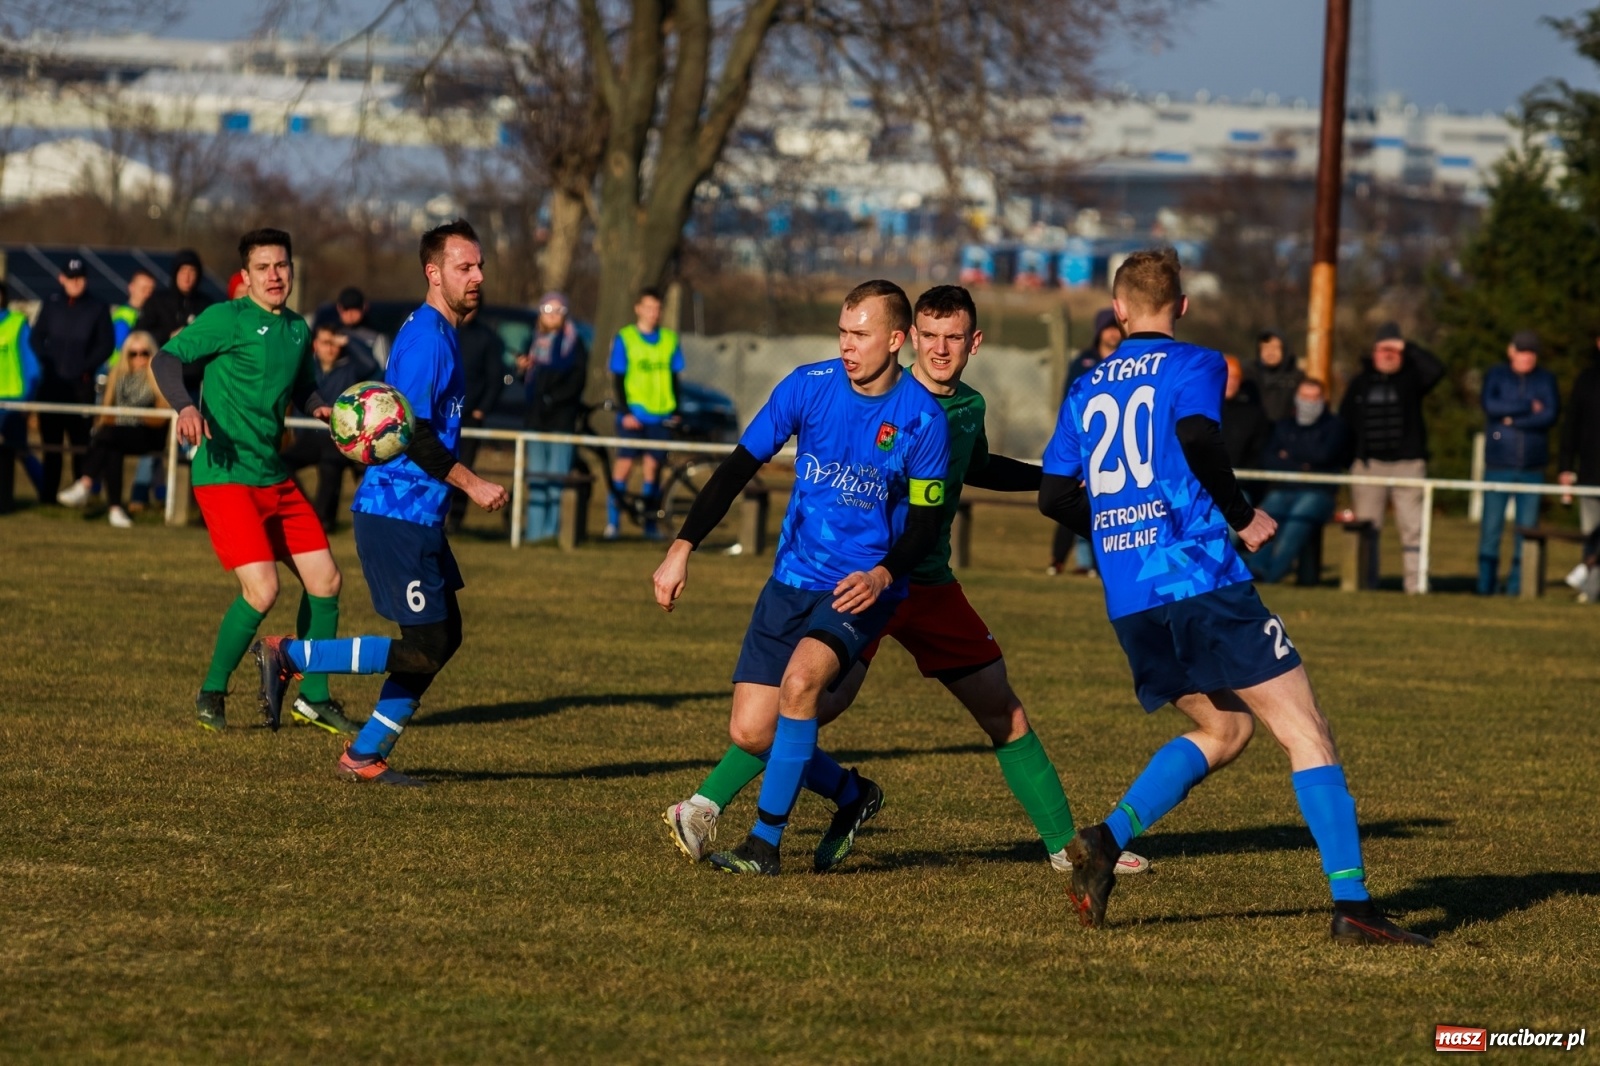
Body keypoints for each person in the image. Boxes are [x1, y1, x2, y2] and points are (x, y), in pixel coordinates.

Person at [663, 285, 1147, 876]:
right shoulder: (873, 393)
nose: (941, 350)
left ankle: (1069, 850)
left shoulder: (964, 409)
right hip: (858, 583)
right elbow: (752, 463)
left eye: (954, 338)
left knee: (1003, 712)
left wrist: (1054, 479)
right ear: (910, 339)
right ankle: (740, 806)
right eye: (931, 336)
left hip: (925, 584)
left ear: (975, 343)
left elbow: (978, 467)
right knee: (785, 709)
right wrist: (684, 545)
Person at [1038, 247, 1430, 947]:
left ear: (1119, 309)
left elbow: (1053, 495)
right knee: (1306, 731)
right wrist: (1242, 515)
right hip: (1199, 580)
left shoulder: (1085, 386)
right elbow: (1194, 433)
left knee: (1227, 730)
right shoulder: (1197, 363)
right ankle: (1355, 907)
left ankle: (1104, 839)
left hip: (1131, 597)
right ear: (1182, 307)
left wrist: (1116, 530)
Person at [651, 279, 950, 875]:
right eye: (842, 332)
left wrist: (885, 574)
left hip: (858, 590)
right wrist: (681, 547)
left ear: (895, 340)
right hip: (790, 579)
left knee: (800, 687)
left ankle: (763, 845)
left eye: (860, 335)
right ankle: (850, 794)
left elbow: (926, 521)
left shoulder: (923, 418)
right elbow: (737, 467)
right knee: (753, 731)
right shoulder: (807, 387)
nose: (847, 345)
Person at [253, 220, 510, 787]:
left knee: (441, 639)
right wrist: (473, 484)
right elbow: (412, 432)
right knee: (424, 645)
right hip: (398, 513)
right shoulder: (425, 340)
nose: (478, 277)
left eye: (480, 265)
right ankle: (293, 657)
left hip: (416, 514)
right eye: (465, 267)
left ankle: (365, 753)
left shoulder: (438, 333)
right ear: (433, 272)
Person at [150, 229, 356, 737]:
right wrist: (185, 407)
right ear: (245, 276)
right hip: (224, 474)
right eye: (263, 267)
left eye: (282, 265)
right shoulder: (228, 317)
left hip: (272, 476)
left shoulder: (297, 329)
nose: (275, 276)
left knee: (327, 580)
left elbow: (304, 386)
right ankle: (212, 690)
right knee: (263, 590)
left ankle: (314, 696)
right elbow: (165, 360)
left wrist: (319, 407)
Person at [1339, 322, 1444, 594]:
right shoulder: (1360, 383)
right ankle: (1365, 582)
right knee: (1367, 531)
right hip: (1369, 466)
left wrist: (1407, 347)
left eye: (1393, 350)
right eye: (1382, 349)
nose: (1388, 355)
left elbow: (1437, 369)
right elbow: (1344, 423)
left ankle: (1416, 584)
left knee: (1414, 528)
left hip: (1408, 465)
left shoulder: (1412, 378)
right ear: (1373, 352)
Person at [55, 331, 170, 526]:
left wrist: (128, 416)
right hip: (119, 434)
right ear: (126, 356)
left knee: (109, 435)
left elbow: (159, 418)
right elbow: (106, 413)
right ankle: (115, 509)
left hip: (149, 435)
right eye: (133, 354)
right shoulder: (118, 376)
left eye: (145, 353)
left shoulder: (160, 377)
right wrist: (124, 417)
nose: (140, 359)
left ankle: (85, 484)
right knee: (110, 446)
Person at [1477, 330, 1559, 596]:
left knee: (1525, 532)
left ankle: (1517, 588)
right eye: (1522, 351)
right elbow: (1491, 406)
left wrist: (1514, 420)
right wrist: (1526, 406)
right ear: (1511, 351)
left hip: (1532, 466)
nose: (1527, 357)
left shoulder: (1546, 380)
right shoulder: (1497, 375)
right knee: (1491, 529)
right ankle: (1485, 587)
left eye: (1531, 352)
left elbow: (1549, 414)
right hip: (1499, 460)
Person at [1246, 379, 1350, 585]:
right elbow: (1269, 459)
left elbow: (1324, 455)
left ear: (1323, 400)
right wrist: (1304, 463)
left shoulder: (1336, 426)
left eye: (1314, 398)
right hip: (1283, 489)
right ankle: (1255, 570)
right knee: (1263, 520)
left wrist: (1289, 454)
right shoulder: (1283, 425)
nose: (1309, 403)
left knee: (1296, 523)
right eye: (1305, 397)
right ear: (1296, 398)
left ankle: (1272, 575)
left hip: (1318, 493)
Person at [32, 256, 115, 502]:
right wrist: (49, 362)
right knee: (51, 446)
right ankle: (47, 497)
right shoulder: (51, 303)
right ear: (61, 279)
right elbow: (36, 338)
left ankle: (80, 494)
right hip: (53, 385)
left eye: (79, 278)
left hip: (81, 387)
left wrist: (85, 367)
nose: (75, 283)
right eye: (70, 278)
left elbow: (106, 345)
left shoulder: (98, 307)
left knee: (80, 445)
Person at [280, 324, 378, 532]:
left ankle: (323, 521)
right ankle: (308, 512)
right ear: (315, 344)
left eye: (335, 344)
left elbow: (371, 365)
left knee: (330, 464)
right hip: (309, 436)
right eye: (326, 343)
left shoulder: (351, 369)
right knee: (282, 463)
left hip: (339, 438)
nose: (331, 348)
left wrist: (349, 340)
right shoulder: (306, 369)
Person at [1049, 308, 1120, 575]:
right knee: (1069, 498)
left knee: (1107, 503)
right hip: (1083, 443)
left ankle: (1099, 565)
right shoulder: (1083, 362)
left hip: (1115, 446)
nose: (1113, 333)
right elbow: (1069, 402)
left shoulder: (1129, 362)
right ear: (1099, 331)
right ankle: (1060, 560)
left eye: (1117, 327)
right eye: (1108, 327)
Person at [607, 287, 682, 539]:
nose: (653, 313)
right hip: (634, 415)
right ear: (638, 309)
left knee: (653, 469)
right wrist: (625, 411)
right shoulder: (626, 337)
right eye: (648, 307)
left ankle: (649, 525)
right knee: (623, 468)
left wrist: (677, 410)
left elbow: (674, 378)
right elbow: (617, 378)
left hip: (661, 414)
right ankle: (613, 524)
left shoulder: (670, 339)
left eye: (657, 308)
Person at [516, 291, 589, 542]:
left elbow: (577, 381)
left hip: (561, 420)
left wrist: (553, 398)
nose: (553, 315)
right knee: (536, 477)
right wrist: (521, 370)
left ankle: (552, 532)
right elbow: (526, 380)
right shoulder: (532, 340)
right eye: (548, 309)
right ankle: (534, 534)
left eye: (559, 310)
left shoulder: (574, 344)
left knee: (557, 477)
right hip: (535, 419)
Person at [444, 311, 505, 533]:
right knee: (438, 463)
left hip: (470, 416)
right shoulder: (443, 331)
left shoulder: (486, 337)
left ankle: (456, 520)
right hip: (442, 414)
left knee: (465, 467)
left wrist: (482, 409)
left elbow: (495, 376)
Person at [0, 282, 46, 512]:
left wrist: (28, 397)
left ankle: (47, 493)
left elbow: (32, 366)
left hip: (12, 400)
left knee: (20, 450)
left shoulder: (17, 323)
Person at [1558, 333, 1600, 536]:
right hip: (1591, 474)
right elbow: (1571, 425)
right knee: (1591, 542)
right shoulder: (1586, 380)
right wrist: (1565, 467)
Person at [136, 248, 215, 346]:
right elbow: (140, 334)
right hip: (162, 356)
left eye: (192, 271)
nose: (187, 277)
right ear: (175, 274)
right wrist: (169, 336)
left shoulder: (206, 305)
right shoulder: (157, 302)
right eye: (183, 271)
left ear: (198, 275)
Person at [1246, 330, 1304, 424]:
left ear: (1284, 350)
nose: (1270, 352)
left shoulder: (1297, 378)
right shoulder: (1249, 375)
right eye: (1265, 348)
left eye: (1275, 348)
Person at [335, 286, 391, 368]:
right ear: (339, 308)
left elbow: (383, 368)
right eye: (346, 309)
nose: (350, 314)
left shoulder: (376, 336)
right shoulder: (332, 334)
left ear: (364, 307)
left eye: (355, 309)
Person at [111, 269, 157, 357]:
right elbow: (121, 347)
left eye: (151, 290)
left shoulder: (153, 314)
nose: (148, 294)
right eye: (143, 289)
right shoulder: (123, 315)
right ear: (131, 288)